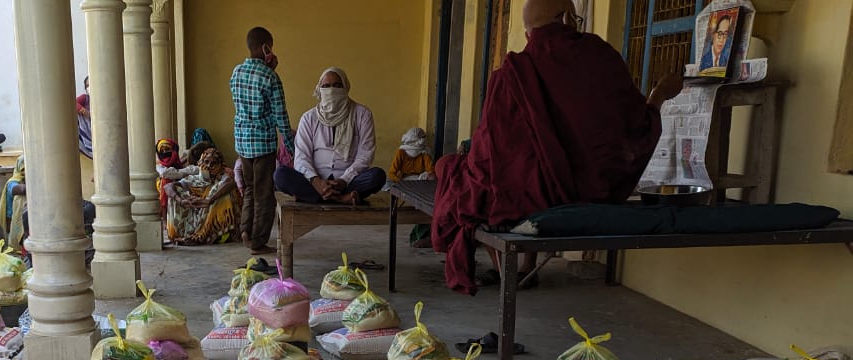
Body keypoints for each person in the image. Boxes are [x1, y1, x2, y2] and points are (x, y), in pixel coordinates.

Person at [429, 0, 682, 295]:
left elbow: (490, 158)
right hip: (594, 192)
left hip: (527, 197)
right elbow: (634, 131)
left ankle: (505, 270)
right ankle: (524, 269)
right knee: (519, 177)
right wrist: (659, 95)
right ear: (567, 19)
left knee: (458, 173)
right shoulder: (600, 57)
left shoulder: (510, 75)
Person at [274, 67, 384, 204]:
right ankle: (341, 199)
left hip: (348, 182)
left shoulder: (362, 114)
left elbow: (365, 155)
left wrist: (344, 180)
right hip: (315, 181)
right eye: (326, 86)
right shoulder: (309, 118)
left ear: (346, 87)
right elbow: (302, 157)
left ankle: (314, 197)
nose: (331, 90)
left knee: (377, 176)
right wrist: (317, 181)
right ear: (319, 90)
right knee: (280, 175)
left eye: (337, 85)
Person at [231, 26, 293, 256]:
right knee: (264, 193)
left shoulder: (236, 72)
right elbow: (281, 117)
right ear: (265, 47)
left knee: (249, 190)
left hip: (243, 143)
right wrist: (290, 144)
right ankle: (258, 241)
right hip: (264, 144)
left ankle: (245, 231)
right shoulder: (271, 77)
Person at [165, 147, 241, 246]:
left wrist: (210, 200)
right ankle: (182, 234)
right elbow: (167, 186)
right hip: (195, 217)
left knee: (222, 193)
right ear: (201, 162)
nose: (208, 166)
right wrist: (181, 200)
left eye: (213, 163)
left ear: (220, 165)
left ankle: (201, 236)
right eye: (206, 162)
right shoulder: (195, 178)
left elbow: (231, 183)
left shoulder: (223, 177)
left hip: (214, 225)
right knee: (175, 193)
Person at [156, 137, 197, 217]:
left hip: (183, 202)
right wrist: (183, 172)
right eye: (162, 151)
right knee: (166, 180)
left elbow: (196, 170)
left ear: (174, 150)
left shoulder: (180, 164)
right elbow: (166, 173)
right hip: (166, 202)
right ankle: (165, 219)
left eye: (167, 149)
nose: (164, 152)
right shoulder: (159, 166)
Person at [0, 154, 26, 246]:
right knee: (20, 198)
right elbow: (19, 190)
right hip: (14, 221)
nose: (25, 172)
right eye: (23, 169)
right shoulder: (13, 182)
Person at [76, 76, 92, 159]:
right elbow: (74, 103)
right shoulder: (85, 98)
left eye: (92, 84)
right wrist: (83, 110)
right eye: (87, 86)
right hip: (88, 131)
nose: (89, 87)